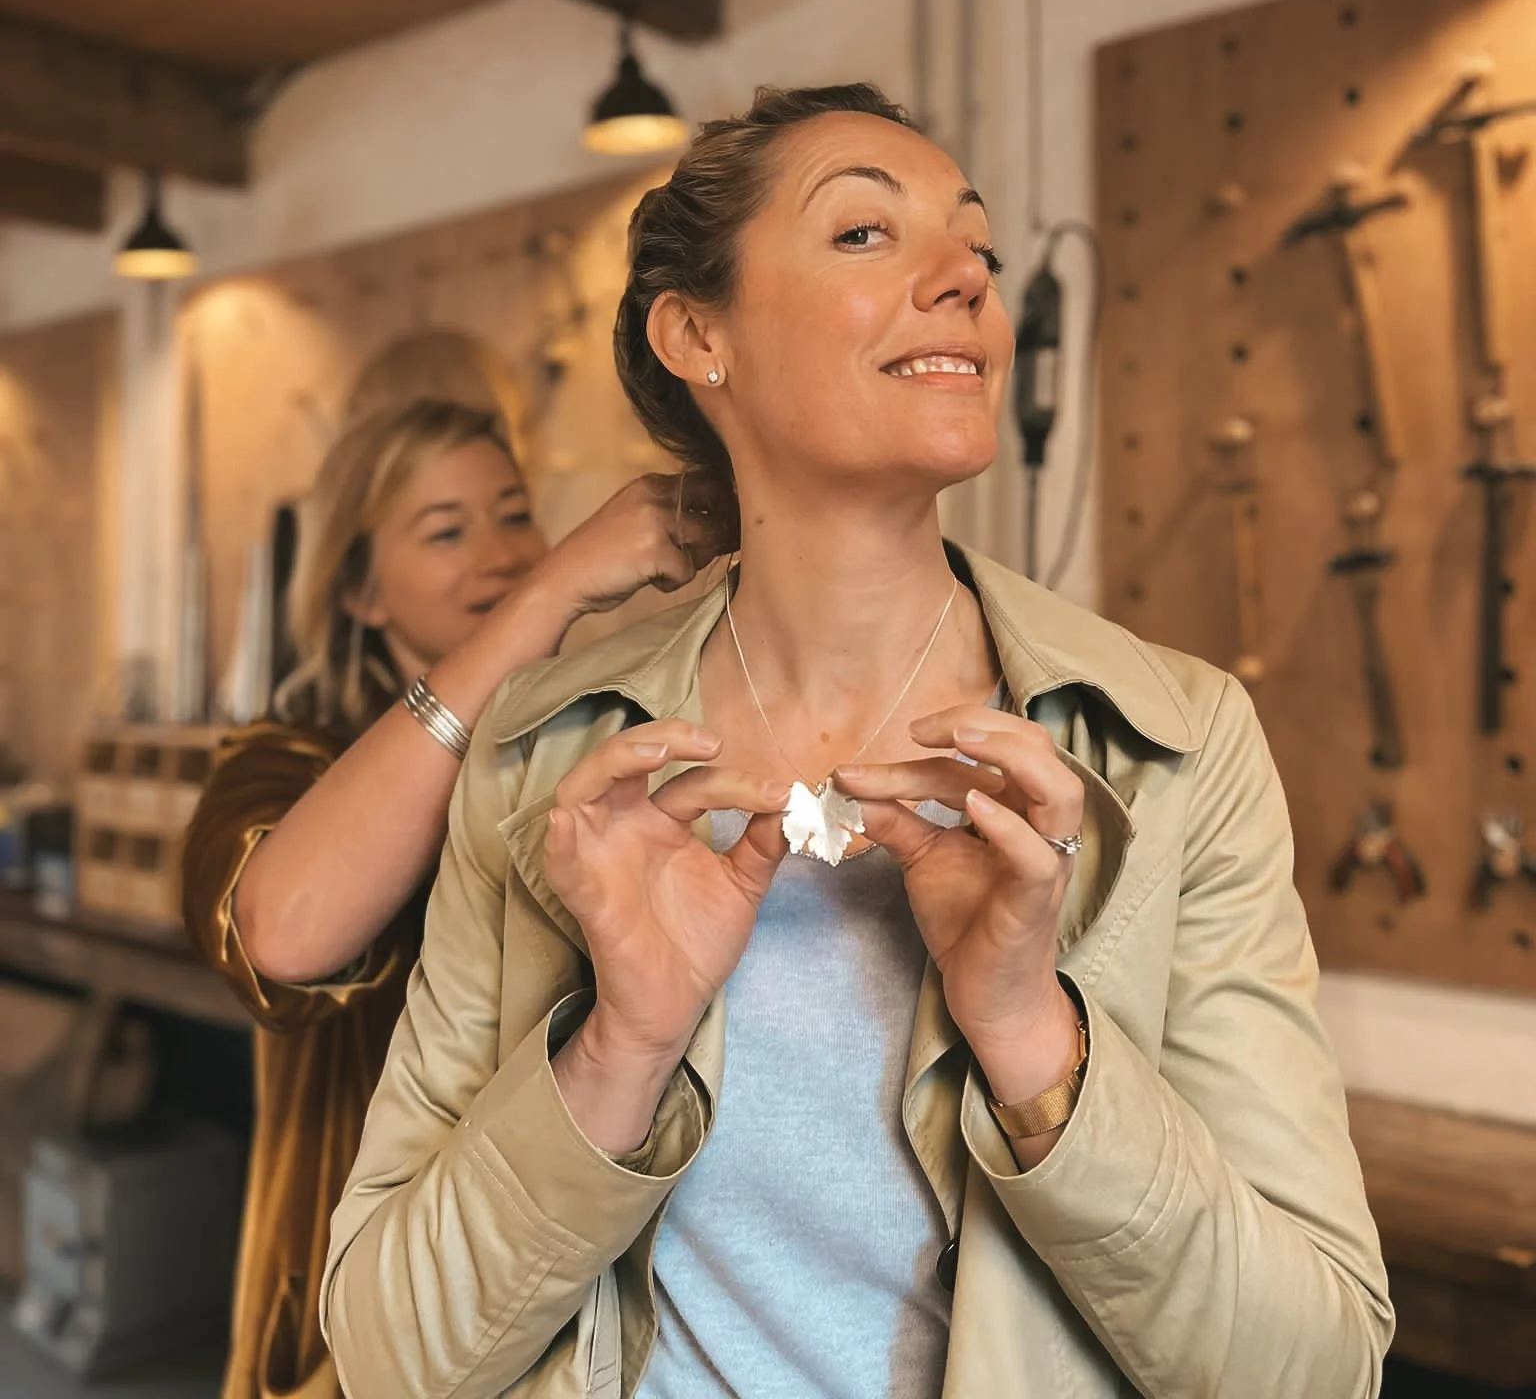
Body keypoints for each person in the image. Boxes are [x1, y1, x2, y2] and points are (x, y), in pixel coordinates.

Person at [320, 88, 1394, 1398]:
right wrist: (618, 1047)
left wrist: (1032, 1040)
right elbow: (388, 1359)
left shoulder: (1177, 748)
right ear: (697, 333)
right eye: (865, 235)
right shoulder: (547, 759)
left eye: (980, 251)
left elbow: (1321, 1368)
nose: (966, 283)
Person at [182, 396, 724, 1399]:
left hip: (549, 1265)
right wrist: (551, 589)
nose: (499, 551)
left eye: (514, 513)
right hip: (357, 1304)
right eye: (445, 529)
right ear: (359, 592)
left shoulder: (578, 742)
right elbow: (283, 931)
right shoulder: (281, 760)